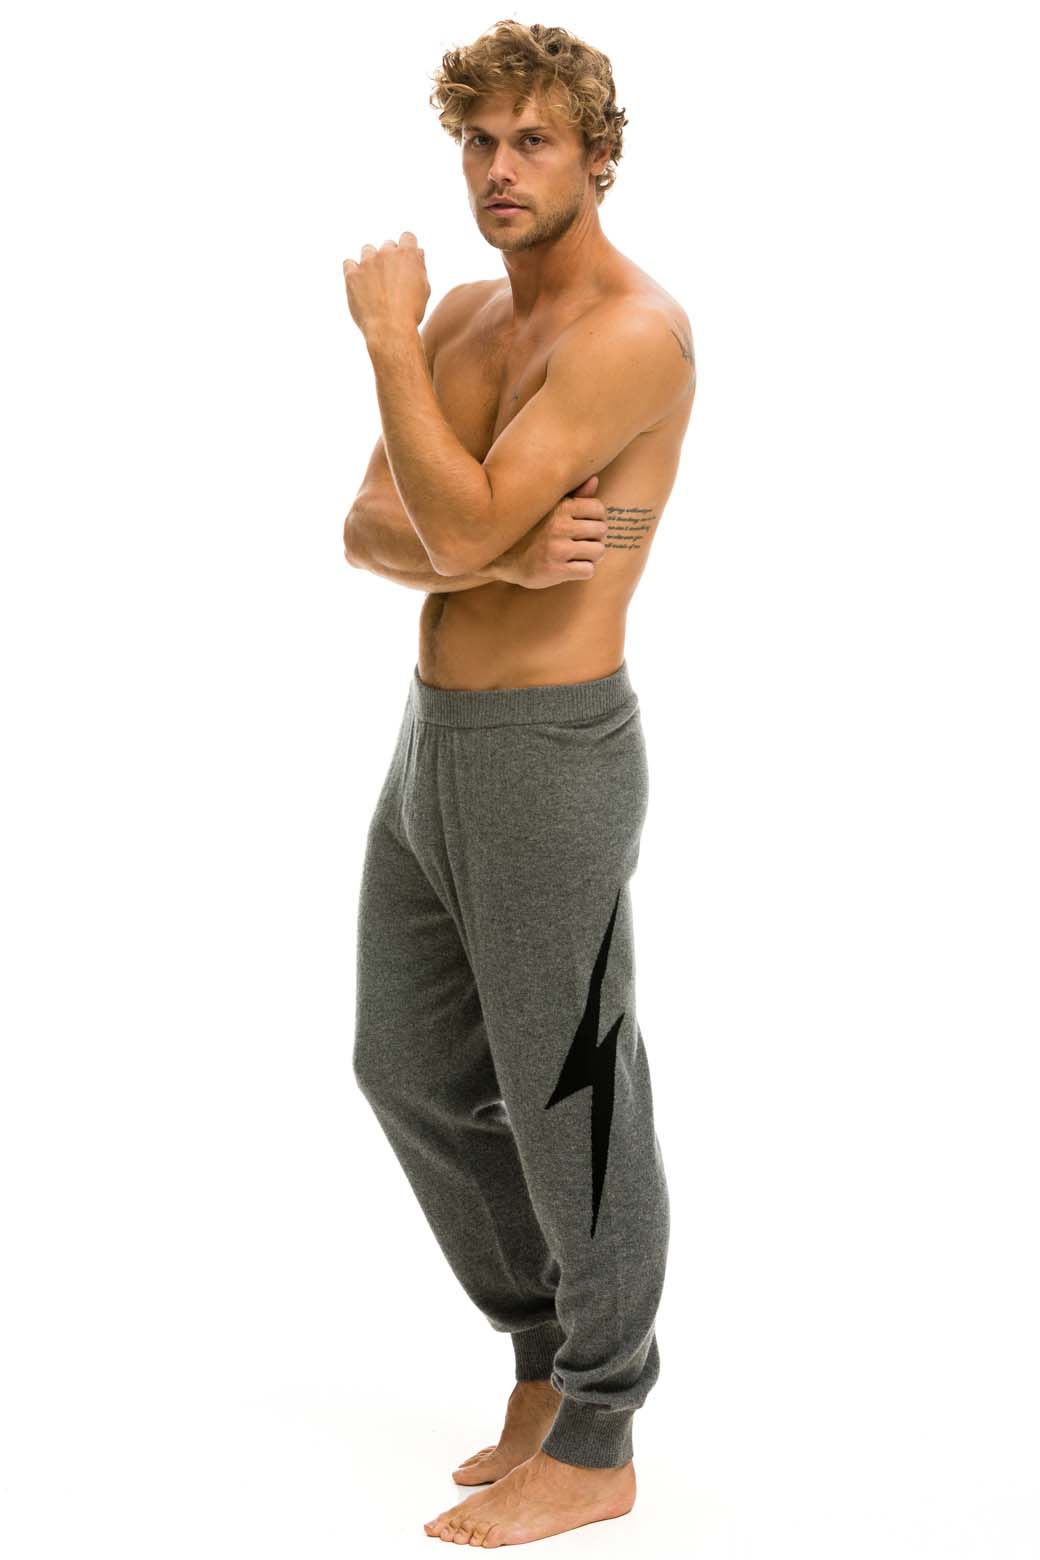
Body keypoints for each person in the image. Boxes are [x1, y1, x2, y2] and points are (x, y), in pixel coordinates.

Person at [341, 19, 695, 1547]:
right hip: (432, 741)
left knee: (572, 1101)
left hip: (551, 753)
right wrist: (482, 540)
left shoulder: (630, 335)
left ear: (597, 158)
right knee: (407, 1068)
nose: (499, 168)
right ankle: (547, 1360)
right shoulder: (472, 316)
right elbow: (370, 527)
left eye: (533, 140)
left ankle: (602, 1433)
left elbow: (454, 516)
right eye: (479, 141)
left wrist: (383, 347)